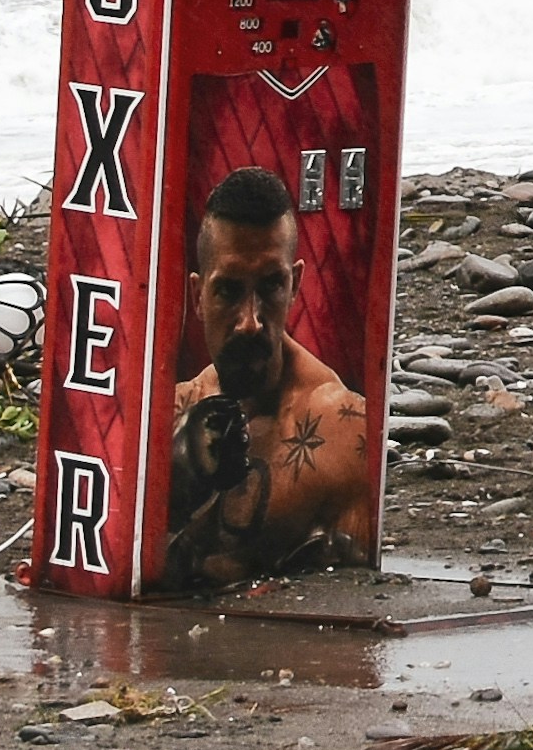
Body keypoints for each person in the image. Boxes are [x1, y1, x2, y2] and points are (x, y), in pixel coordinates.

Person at [158, 165, 381, 587]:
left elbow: (362, 610)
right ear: (197, 295)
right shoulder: (167, 412)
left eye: (270, 287)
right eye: (228, 290)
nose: (250, 323)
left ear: (294, 285)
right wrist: (167, 504)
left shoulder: (344, 431)